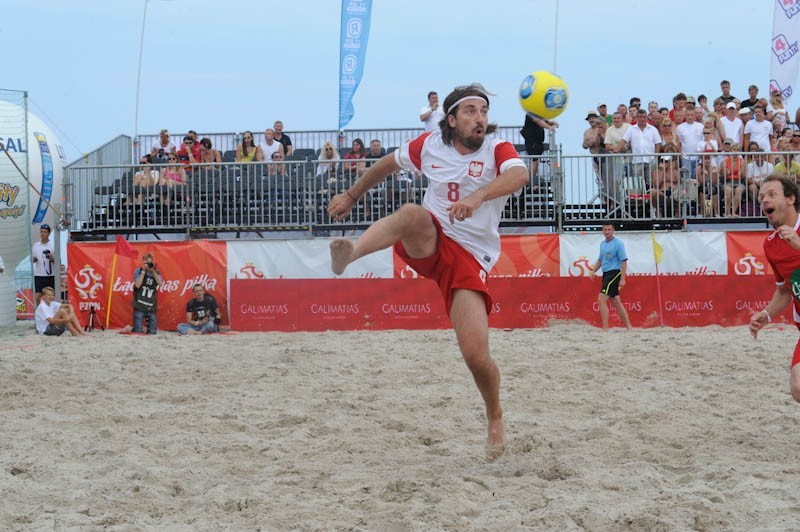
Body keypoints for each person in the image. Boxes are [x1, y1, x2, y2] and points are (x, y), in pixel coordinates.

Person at [326, 83, 528, 458]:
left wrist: (479, 195)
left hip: (471, 257)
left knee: (476, 357)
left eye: (482, 112)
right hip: (433, 238)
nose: (479, 118)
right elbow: (386, 164)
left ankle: (494, 414)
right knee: (412, 213)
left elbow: (520, 176)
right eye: (469, 111)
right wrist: (353, 195)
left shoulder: (497, 149)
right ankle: (352, 252)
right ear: (451, 119)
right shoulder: (430, 145)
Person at [749, 175, 800, 402]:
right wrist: (767, 314)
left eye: (771, 194)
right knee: (798, 387)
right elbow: (784, 290)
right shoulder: (771, 243)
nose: (764, 200)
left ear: (791, 199)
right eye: (761, 197)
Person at [590, 223, 632, 332]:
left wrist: (623, 279)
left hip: (614, 273)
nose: (607, 232)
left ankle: (605, 329)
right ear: (602, 231)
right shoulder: (602, 244)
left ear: (613, 230)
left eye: (609, 229)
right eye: (605, 229)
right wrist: (593, 270)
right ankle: (629, 327)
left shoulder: (618, 244)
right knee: (616, 302)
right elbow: (600, 260)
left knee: (601, 299)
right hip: (606, 274)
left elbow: (624, 261)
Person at [132, 252, 163, 334]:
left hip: (151, 306)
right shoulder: (138, 271)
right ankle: (134, 328)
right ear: (143, 263)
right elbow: (137, 285)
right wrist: (143, 271)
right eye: (146, 263)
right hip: (139, 305)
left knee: (152, 332)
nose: (148, 264)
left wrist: (152, 271)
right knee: (138, 332)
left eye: (150, 262)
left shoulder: (156, 272)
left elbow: (160, 283)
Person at [521, 112, 556, 179]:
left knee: (536, 162)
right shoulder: (530, 113)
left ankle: (530, 180)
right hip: (532, 142)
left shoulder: (536, 113)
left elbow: (542, 121)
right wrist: (548, 127)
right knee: (535, 162)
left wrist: (550, 123)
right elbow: (537, 120)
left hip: (537, 142)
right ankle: (529, 181)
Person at [32, 223, 55, 307]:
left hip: (50, 274)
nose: (42, 234)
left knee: (51, 296)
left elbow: (58, 261)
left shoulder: (53, 245)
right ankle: (39, 312)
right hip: (39, 274)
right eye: (41, 232)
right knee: (38, 296)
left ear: (48, 233)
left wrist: (51, 258)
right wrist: (34, 260)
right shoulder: (36, 245)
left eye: (45, 232)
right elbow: (33, 259)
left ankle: (51, 312)